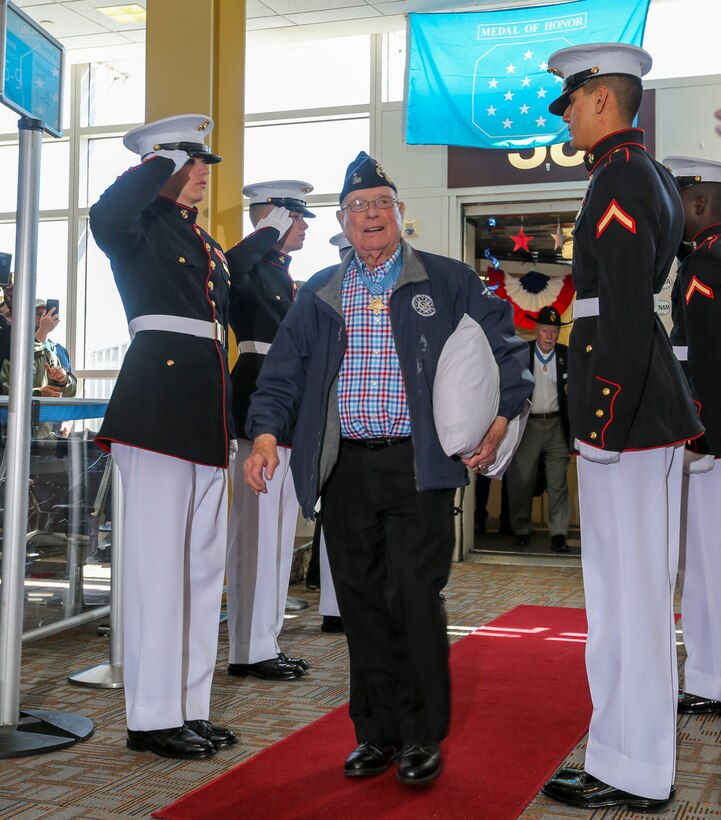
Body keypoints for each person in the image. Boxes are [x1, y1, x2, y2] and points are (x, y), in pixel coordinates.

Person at [243, 151, 532, 786]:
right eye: (357, 207)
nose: (370, 215)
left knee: (413, 596)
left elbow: (507, 351)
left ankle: (422, 734)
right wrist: (265, 434)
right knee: (361, 602)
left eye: (381, 204)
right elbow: (283, 373)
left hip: (418, 466)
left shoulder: (449, 280)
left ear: (400, 213)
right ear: (342, 222)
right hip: (344, 468)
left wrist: (502, 417)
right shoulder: (319, 292)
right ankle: (376, 732)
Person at [539, 45, 703, 811]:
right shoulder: (642, 173)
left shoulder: (622, 177)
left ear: (601, 99)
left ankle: (633, 769)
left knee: (627, 602)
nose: (565, 117)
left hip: (626, 417)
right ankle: (624, 757)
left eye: (571, 102)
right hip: (635, 412)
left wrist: (601, 420)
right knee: (623, 598)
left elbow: (627, 311)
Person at [89, 114, 237, 759]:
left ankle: (188, 707)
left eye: (201, 162)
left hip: (205, 412)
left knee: (201, 569)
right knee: (157, 571)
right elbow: (105, 213)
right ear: (160, 165)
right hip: (155, 411)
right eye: (191, 161)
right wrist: (158, 164)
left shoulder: (202, 240)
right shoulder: (137, 226)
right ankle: (150, 717)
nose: (202, 172)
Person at [224, 180, 314, 681]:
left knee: (278, 536)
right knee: (256, 535)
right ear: (273, 218)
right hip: (259, 402)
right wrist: (264, 233)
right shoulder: (251, 268)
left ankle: (265, 641)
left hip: (288, 410)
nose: (302, 228)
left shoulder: (283, 275)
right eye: (295, 218)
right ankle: (248, 647)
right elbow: (228, 270)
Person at [664, 156, 721, 715]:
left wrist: (697, 428)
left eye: (676, 201)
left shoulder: (705, 261)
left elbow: (703, 357)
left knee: (706, 563)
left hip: (712, 442)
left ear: (699, 202)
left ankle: (711, 680)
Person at [506, 305, 570, 552]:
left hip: (556, 426)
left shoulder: (566, 355)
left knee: (558, 482)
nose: (549, 336)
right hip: (529, 426)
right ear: (536, 330)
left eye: (554, 331)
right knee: (521, 479)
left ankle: (559, 534)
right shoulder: (523, 353)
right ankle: (521, 529)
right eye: (545, 330)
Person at [2, 301, 77, 439]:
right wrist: (39, 393)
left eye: (46, 313)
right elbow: (6, 388)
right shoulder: (10, 348)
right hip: (14, 433)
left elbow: (70, 391)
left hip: (47, 434)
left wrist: (62, 379)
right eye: (38, 313)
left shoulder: (56, 352)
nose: (43, 317)